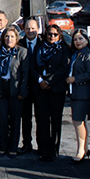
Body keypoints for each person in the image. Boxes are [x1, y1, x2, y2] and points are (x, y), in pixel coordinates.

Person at [0, 27, 29, 158]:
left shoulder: (22, 52)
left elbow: (25, 74)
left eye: (12, 36)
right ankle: (3, 146)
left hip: (15, 90)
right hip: (2, 89)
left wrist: (22, 92)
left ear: (16, 38)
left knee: (14, 120)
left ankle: (13, 147)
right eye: (7, 36)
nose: (9, 39)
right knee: (1, 119)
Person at [35, 24, 71, 162]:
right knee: (42, 119)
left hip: (56, 89)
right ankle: (43, 148)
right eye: (49, 34)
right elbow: (33, 66)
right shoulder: (40, 48)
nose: (52, 37)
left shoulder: (63, 49)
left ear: (59, 35)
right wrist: (40, 80)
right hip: (41, 88)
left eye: (55, 34)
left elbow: (63, 68)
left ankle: (54, 149)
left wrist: (49, 81)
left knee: (55, 120)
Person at [66, 29, 90, 163]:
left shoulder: (88, 55)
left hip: (83, 92)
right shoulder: (76, 54)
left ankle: (81, 150)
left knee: (78, 121)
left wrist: (75, 79)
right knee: (79, 122)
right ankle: (84, 147)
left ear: (87, 40)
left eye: (80, 39)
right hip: (75, 92)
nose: (78, 42)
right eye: (75, 39)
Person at [18, 18, 41, 154]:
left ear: (37, 29)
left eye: (33, 28)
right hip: (24, 87)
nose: (30, 31)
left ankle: (40, 144)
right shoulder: (19, 44)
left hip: (39, 88)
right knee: (25, 118)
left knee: (40, 117)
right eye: (27, 28)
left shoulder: (43, 44)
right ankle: (27, 143)